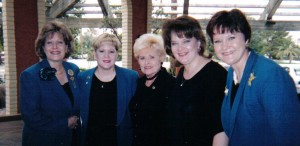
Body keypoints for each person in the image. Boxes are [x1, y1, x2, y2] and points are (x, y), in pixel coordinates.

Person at [206, 9, 300, 146]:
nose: (224, 46)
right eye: (218, 41)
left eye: (231, 38)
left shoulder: (271, 75)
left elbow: (290, 137)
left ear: (246, 39)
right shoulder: (231, 74)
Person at [161, 15, 227, 146]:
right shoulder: (182, 74)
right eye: (174, 43)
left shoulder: (215, 75)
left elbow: (221, 130)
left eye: (186, 41)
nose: (180, 48)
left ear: (198, 42)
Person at [19, 20, 80, 146]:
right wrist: (65, 123)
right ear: (42, 47)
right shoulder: (30, 76)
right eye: (49, 43)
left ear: (67, 46)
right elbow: (31, 117)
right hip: (43, 140)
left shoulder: (73, 70)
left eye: (60, 42)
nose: (55, 47)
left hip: (71, 139)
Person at [78, 33, 139, 146]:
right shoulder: (82, 78)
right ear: (95, 54)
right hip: (90, 140)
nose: (106, 56)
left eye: (111, 51)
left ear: (117, 54)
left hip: (120, 140)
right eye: (101, 51)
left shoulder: (131, 77)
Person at [129, 33, 176, 146]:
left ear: (161, 58)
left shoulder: (171, 85)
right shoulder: (138, 83)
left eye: (152, 57)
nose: (147, 62)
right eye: (142, 58)